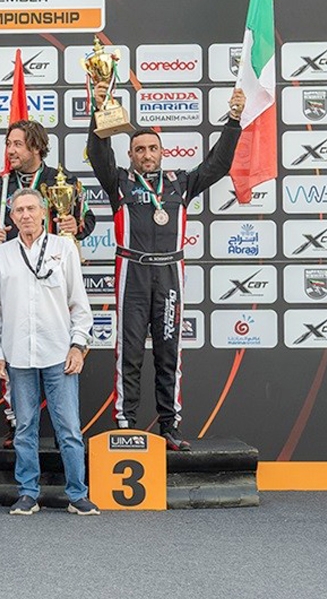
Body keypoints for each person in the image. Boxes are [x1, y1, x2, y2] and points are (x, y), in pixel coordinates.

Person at [88, 85, 246, 450]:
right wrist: (99, 112)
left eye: (152, 148)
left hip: (169, 275)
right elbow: (98, 154)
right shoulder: (119, 182)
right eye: (140, 149)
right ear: (130, 154)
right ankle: (126, 423)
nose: (147, 154)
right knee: (129, 352)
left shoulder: (180, 183)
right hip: (132, 272)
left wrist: (233, 121)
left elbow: (218, 165)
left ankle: (170, 427)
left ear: (162, 152)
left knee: (168, 352)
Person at [0, 118, 95, 447]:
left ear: (36, 147)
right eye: (8, 144)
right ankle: (15, 422)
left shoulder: (63, 180)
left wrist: (76, 224)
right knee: (13, 353)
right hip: (12, 275)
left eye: (17, 144)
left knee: (59, 365)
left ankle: (63, 435)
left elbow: (88, 219)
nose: (10, 150)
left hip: (54, 280)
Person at [0, 188, 100, 516]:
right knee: (24, 428)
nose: (26, 215)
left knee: (69, 429)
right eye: (19, 210)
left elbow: (80, 305)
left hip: (59, 353)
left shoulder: (64, 248)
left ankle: (77, 494)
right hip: (18, 355)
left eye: (31, 209)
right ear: (12, 217)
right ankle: (28, 493)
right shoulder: (3, 254)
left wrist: (78, 345)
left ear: (44, 212)